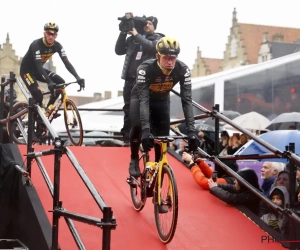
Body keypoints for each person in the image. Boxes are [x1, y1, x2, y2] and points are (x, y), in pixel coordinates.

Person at [128, 37, 200, 177]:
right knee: (137, 125)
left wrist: (191, 131)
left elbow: (187, 100)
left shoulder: (182, 69)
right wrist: (146, 130)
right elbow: (144, 100)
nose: (170, 62)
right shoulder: (145, 69)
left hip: (161, 99)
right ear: (157, 56)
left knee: (162, 137)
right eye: (166, 58)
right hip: (141, 98)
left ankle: (159, 171)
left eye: (173, 58)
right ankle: (134, 158)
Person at [20, 22, 84, 141]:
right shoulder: (36, 44)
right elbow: (39, 66)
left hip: (38, 70)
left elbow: (67, 63)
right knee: (38, 96)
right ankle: (30, 129)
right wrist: (49, 82)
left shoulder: (57, 46)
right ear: (44, 33)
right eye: (48, 33)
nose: (50, 36)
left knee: (61, 82)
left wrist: (78, 77)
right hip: (27, 71)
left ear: (56, 36)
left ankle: (48, 109)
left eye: (53, 34)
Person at [115, 16, 164, 143]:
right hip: (130, 79)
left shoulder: (158, 38)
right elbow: (118, 50)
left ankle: (144, 136)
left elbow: (152, 47)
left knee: (144, 107)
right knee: (128, 107)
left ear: (154, 26)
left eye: (150, 24)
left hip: (146, 79)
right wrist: (123, 32)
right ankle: (127, 137)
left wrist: (137, 35)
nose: (147, 26)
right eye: (145, 23)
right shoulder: (132, 39)